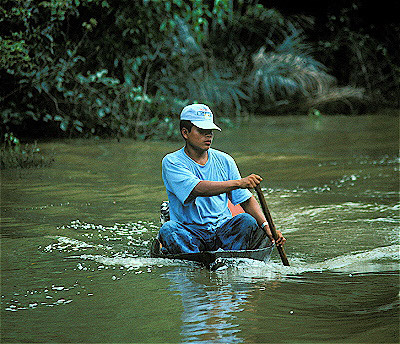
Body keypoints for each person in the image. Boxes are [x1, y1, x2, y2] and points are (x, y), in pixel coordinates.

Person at [158, 103, 286, 254]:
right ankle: (195, 257)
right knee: (168, 229)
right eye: (202, 131)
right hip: (190, 231)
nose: (208, 136)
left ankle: (227, 257)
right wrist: (239, 183)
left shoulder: (225, 160)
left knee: (247, 221)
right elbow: (197, 188)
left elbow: (245, 199)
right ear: (185, 133)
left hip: (221, 230)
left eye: (210, 132)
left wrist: (267, 227)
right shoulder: (172, 161)